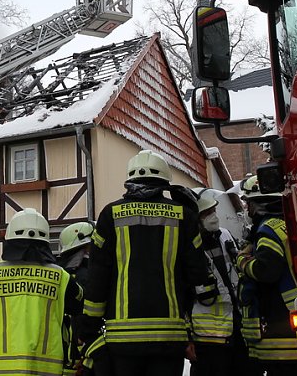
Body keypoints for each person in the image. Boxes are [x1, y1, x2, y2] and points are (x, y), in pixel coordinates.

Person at [76, 150, 215, 376]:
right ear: (164, 180)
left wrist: (89, 326)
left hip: (123, 339)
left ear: (130, 179)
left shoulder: (110, 214)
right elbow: (198, 271)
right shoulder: (183, 215)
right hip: (169, 337)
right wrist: (207, 294)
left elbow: (98, 275)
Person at [0, 208, 83, 376]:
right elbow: (80, 305)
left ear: (10, 238)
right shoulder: (61, 276)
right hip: (47, 369)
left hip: (3, 370)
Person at [236, 175, 297, 376]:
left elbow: (266, 270)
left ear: (258, 204)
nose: (247, 210)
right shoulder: (290, 223)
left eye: (248, 203)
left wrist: (242, 261)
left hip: (280, 331)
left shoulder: (268, 229)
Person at [188, 189, 259, 376]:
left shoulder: (225, 235)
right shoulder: (188, 247)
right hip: (208, 338)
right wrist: (187, 337)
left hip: (238, 327)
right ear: (196, 219)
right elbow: (182, 295)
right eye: (206, 213)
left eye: (213, 211)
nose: (212, 217)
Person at [57, 222, 94, 375]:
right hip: (82, 356)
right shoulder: (86, 275)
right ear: (85, 246)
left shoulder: (61, 274)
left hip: (65, 356)